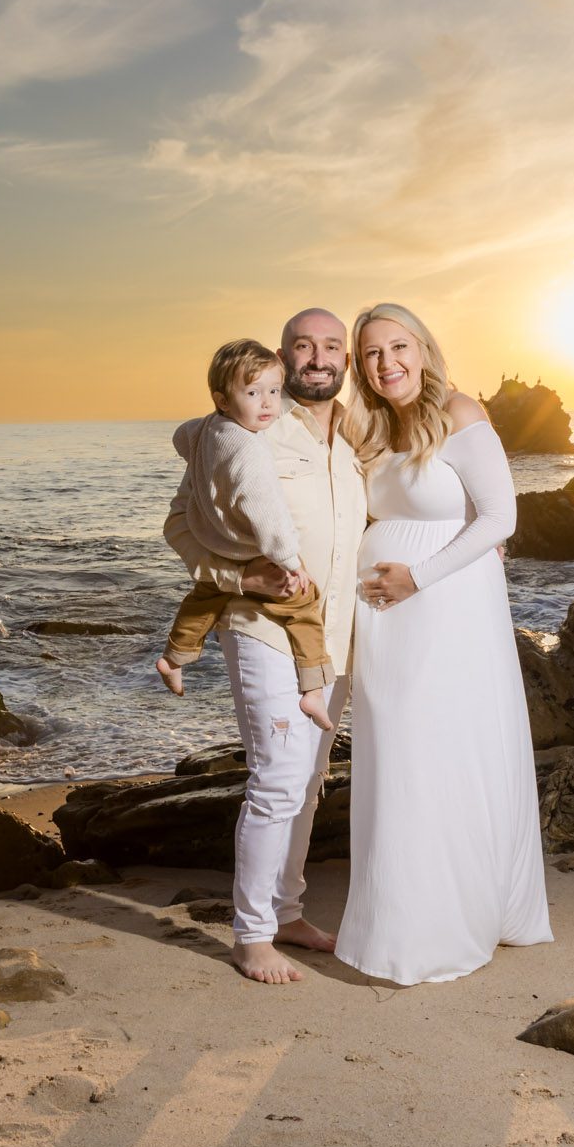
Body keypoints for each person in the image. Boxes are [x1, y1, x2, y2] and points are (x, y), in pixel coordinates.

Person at [336, 302, 552, 985]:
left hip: (444, 606)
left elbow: (500, 517)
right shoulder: (370, 427)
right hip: (387, 620)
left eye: (398, 346)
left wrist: (417, 577)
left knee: (442, 749)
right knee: (397, 755)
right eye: (372, 353)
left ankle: (440, 924)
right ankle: (403, 911)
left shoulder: (460, 413)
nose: (387, 362)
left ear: (423, 350)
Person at [163, 308, 366, 984]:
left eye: (331, 346)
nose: (318, 357)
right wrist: (241, 577)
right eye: (303, 345)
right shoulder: (245, 433)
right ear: (283, 356)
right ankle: (250, 935)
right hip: (262, 629)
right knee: (277, 777)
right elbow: (179, 526)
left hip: (331, 638)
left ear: (346, 360)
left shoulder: (357, 438)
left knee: (307, 783)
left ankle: (287, 913)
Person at [157, 338, 335, 730]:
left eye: (274, 391)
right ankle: (313, 690)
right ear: (222, 400)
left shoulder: (206, 427)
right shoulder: (250, 451)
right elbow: (269, 517)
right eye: (253, 393)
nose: (268, 404)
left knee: (205, 598)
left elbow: (181, 437)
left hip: (213, 541)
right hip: (248, 549)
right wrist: (291, 563)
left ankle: (174, 658)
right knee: (304, 607)